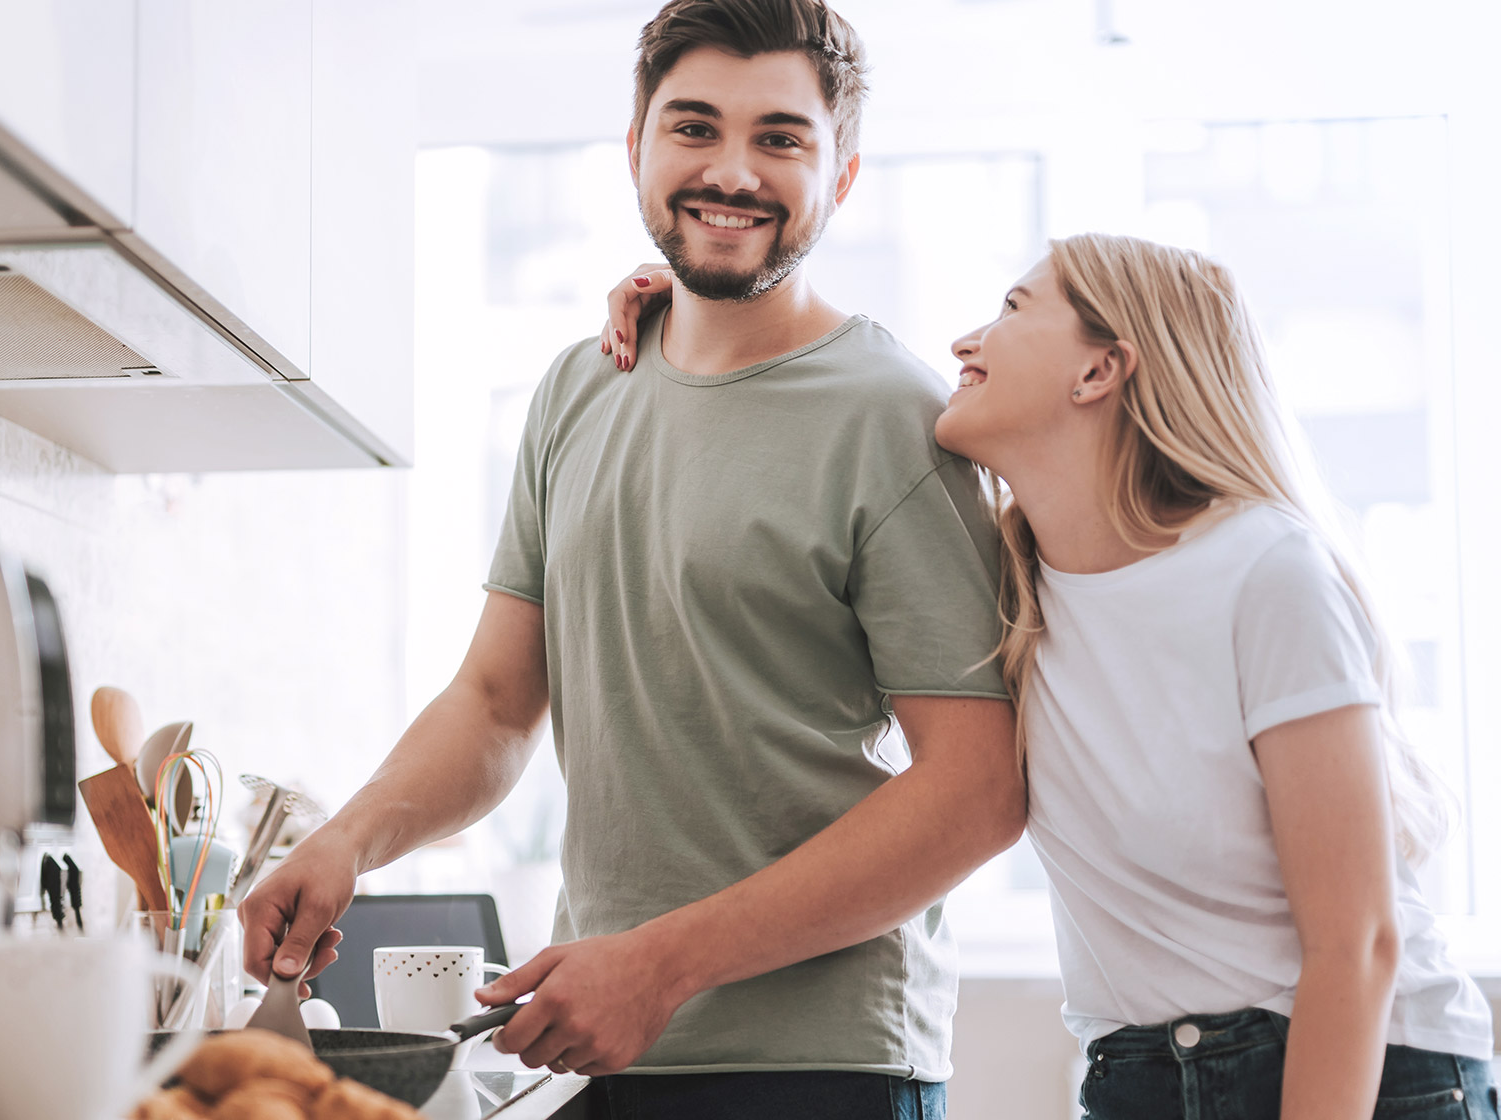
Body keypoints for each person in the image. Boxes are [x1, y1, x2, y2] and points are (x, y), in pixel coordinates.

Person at [240, 1, 1025, 1116]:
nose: (732, 172)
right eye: (695, 128)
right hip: (598, 1052)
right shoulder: (579, 386)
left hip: (819, 1073)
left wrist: (663, 962)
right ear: (637, 150)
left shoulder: (893, 419)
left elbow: (979, 791)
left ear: (843, 175)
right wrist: (347, 841)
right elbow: (498, 701)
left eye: (781, 138)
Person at [937, 233, 1497, 1118]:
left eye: (1011, 309)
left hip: (1363, 1068)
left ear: (1099, 372)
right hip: (1139, 1077)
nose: (965, 342)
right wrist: (685, 322)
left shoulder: (1266, 570)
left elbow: (1358, 943)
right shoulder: (1008, 591)